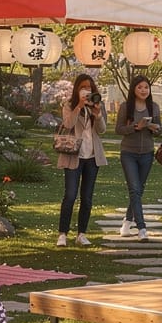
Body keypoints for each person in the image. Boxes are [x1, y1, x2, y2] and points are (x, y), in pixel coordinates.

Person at [114, 74, 162, 241]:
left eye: (146, 87)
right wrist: (135, 127)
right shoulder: (126, 107)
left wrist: (155, 128)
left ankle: (127, 221)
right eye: (140, 87)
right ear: (134, 89)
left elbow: (160, 131)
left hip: (147, 153)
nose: (143, 90)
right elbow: (118, 129)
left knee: (138, 190)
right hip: (128, 153)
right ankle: (142, 228)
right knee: (134, 188)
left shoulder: (153, 107)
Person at [55, 73, 106, 248]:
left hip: (92, 157)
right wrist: (79, 106)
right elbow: (68, 124)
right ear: (77, 89)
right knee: (70, 195)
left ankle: (81, 234)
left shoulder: (97, 105)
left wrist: (98, 114)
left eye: (89, 88)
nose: (86, 90)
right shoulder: (69, 105)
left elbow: (102, 130)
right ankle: (62, 234)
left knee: (87, 198)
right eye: (83, 87)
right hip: (73, 156)